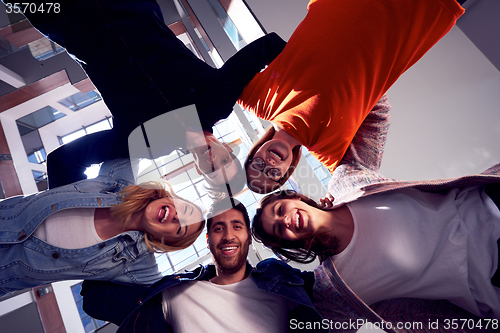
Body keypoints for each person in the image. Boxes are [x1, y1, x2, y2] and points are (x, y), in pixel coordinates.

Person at [251, 96, 500, 322]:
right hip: (491, 280)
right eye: (278, 230)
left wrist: (288, 134)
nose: (284, 221)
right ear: (290, 244)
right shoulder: (335, 288)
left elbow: (375, 107)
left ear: (297, 199)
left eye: (280, 209)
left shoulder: (346, 182)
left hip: (489, 203)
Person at [18, 0, 286, 195]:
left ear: (199, 169)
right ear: (228, 148)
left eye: (213, 171)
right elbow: (269, 46)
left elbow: (64, 161)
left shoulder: (144, 145)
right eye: (225, 161)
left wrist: (76, 219)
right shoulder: (220, 98)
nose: (215, 161)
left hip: (62, 17)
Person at [237, 0, 466, 193]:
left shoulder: (254, 98)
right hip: (415, 14)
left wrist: (204, 127)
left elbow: (208, 83)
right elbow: (363, 181)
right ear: (288, 171)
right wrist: (337, 199)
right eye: (273, 173)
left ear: (254, 151)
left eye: (257, 164)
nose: (268, 163)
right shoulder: (331, 151)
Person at [80, 199, 327, 333]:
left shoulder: (279, 281)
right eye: (218, 228)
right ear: (208, 241)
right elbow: (95, 299)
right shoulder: (176, 293)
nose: (229, 236)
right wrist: (143, 233)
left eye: (237, 227)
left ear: (248, 238)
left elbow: (333, 287)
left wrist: (327, 223)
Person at [0, 157, 205, 298]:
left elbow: (170, 298)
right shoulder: (118, 180)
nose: (177, 217)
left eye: (180, 229)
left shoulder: (138, 265)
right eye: (184, 209)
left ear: (166, 240)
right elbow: (135, 124)